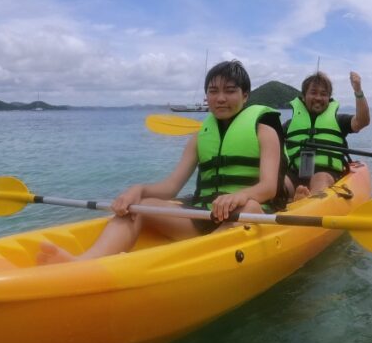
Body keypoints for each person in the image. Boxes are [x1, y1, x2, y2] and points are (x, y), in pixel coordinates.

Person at [37, 60, 285, 264]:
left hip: (247, 216)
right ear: (206, 96)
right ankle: (84, 263)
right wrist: (139, 190)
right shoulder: (200, 137)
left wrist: (239, 196)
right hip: (204, 215)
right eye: (213, 91)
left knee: (250, 207)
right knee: (141, 207)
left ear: (245, 95)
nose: (220, 98)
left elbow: (268, 187)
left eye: (229, 91)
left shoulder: (264, 132)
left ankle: (201, 260)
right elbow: (171, 187)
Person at [284, 70, 370, 201]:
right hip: (295, 174)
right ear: (303, 96)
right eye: (313, 93)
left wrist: (358, 91)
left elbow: (362, 121)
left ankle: (305, 204)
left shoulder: (338, 121)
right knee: (281, 181)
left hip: (327, 174)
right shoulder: (289, 125)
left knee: (320, 178)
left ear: (329, 99)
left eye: (323, 94)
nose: (318, 98)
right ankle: (290, 200)